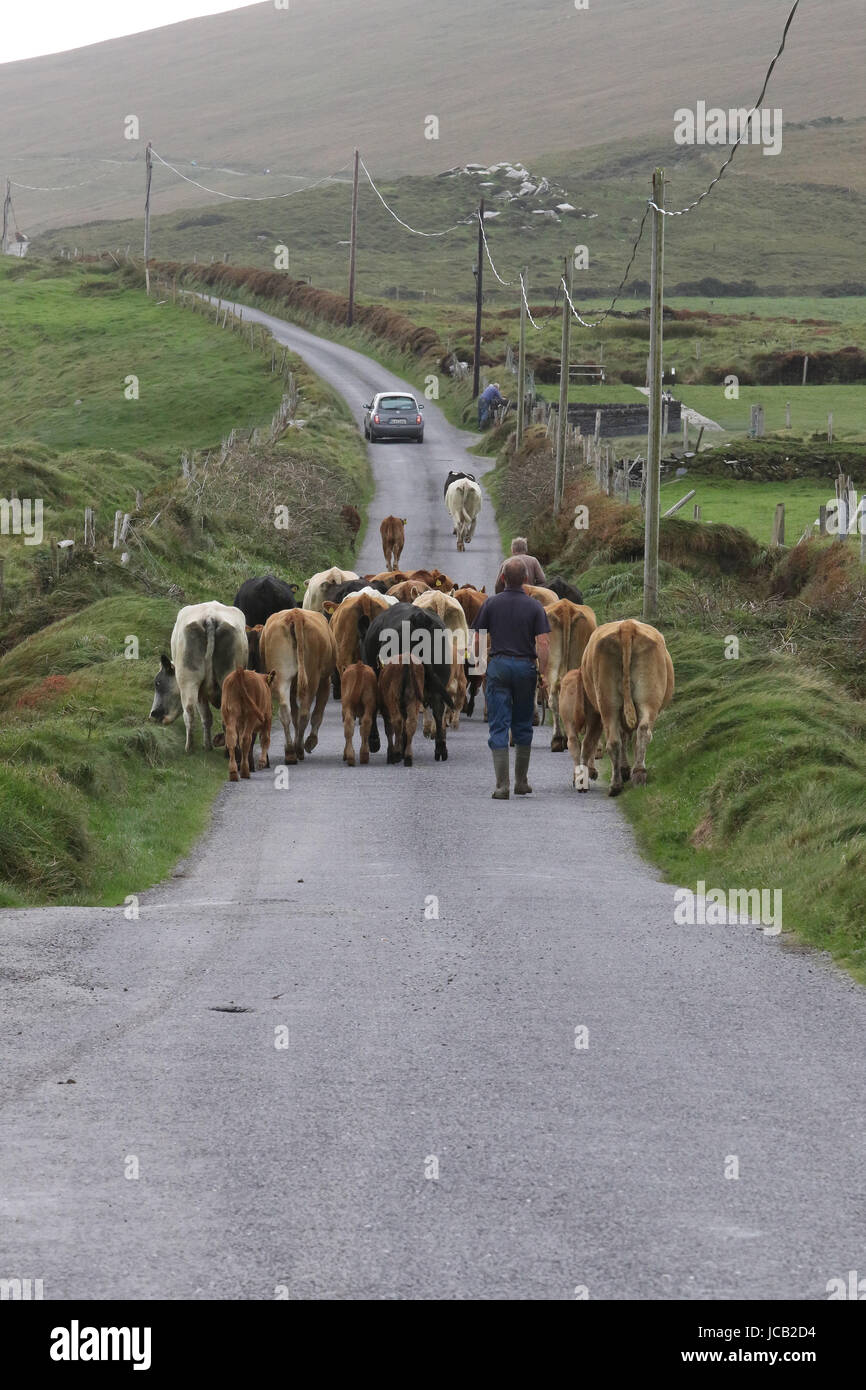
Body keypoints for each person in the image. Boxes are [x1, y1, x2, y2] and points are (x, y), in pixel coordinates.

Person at [473, 556, 550, 800]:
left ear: (503, 578)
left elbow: (477, 639)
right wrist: (543, 672)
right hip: (525, 668)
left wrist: (480, 665)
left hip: (499, 666)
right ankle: (522, 782)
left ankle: (501, 786)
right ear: (526, 579)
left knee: (499, 725)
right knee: (523, 724)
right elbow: (543, 643)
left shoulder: (490, 603)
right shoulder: (535, 606)